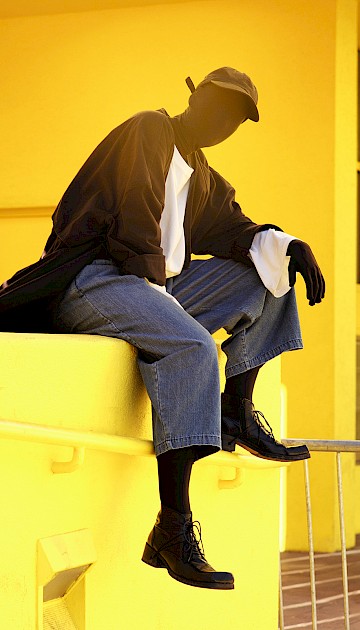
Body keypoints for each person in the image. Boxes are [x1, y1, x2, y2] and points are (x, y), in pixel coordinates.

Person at [0, 67, 325, 590]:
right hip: (96, 278)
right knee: (193, 348)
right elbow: (134, 214)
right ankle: (172, 528)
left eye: (234, 120)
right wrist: (159, 297)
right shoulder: (149, 129)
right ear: (194, 97)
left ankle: (236, 410)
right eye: (217, 107)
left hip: (152, 288)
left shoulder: (204, 176)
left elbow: (235, 230)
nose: (222, 122)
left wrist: (289, 245)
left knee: (271, 270)